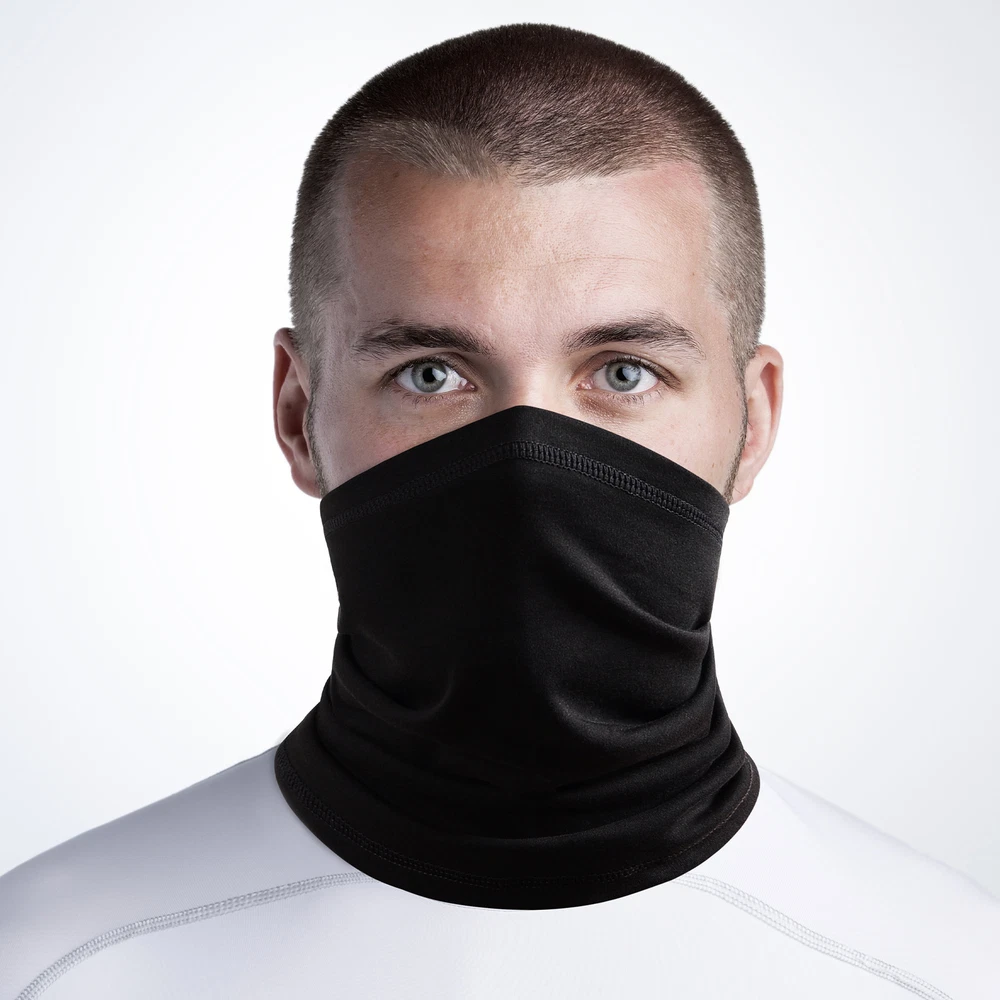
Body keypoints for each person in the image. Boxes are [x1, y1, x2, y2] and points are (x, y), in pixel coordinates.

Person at [2, 21, 996, 999]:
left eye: (623, 371)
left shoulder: (949, 968)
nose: (527, 457)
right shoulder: (52, 960)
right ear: (298, 414)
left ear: (754, 421)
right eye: (432, 374)